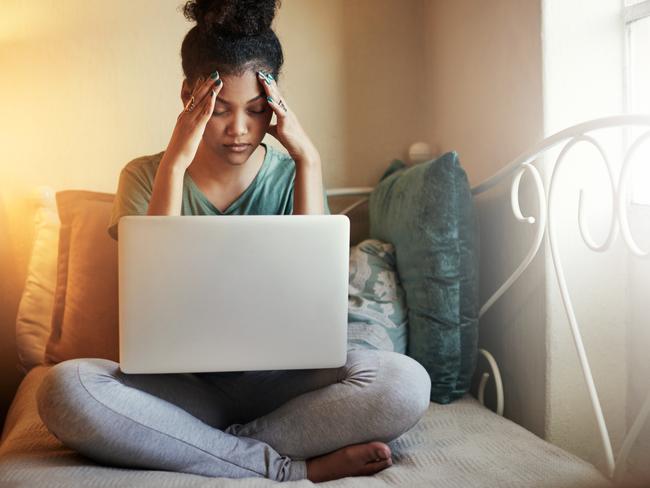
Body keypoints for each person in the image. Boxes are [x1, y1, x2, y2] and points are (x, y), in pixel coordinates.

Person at [36, 0, 432, 483]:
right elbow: (156, 297)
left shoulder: (291, 176)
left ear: (276, 106)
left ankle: (187, 442)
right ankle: (283, 465)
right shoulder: (144, 176)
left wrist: (307, 158)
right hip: (184, 389)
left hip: (284, 388)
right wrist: (175, 164)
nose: (239, 129)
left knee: (405, 383)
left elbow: (313, 297)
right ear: (188, 95)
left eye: (256, 110)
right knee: (64, 388)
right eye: (220, 110)